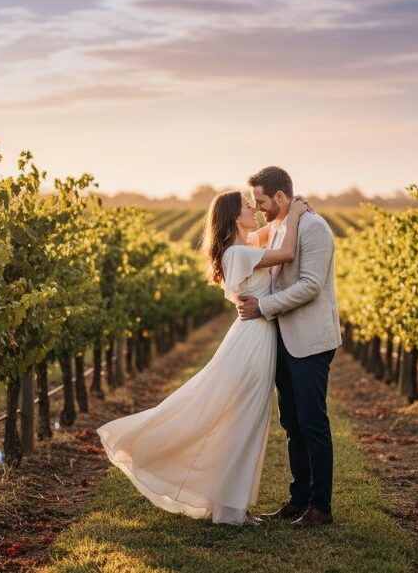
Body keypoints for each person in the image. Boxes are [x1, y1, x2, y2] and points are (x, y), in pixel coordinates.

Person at [96, 188, 309, 525]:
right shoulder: (238, 253)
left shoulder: (242, 246)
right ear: (233, 216)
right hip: (253, 341)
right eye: (246, 205)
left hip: (256, 337)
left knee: (244, 423)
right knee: (242, 423)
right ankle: (229, 510)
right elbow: (286, 252)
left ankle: (230, 507)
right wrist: (295, 215)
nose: (253, 208)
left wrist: (283, 211)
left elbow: (268, 234)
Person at [237, 165, 341, 526]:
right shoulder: (284, 224)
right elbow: (243, 242)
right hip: (284, 338)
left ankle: (321, 507)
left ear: (280, 196)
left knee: (312, 423)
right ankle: (299, 499)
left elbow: (311, 284)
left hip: (310, 340)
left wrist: (262, 307)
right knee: (293, 423)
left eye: (262, 200)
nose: (259, 207)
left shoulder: (313, 227)